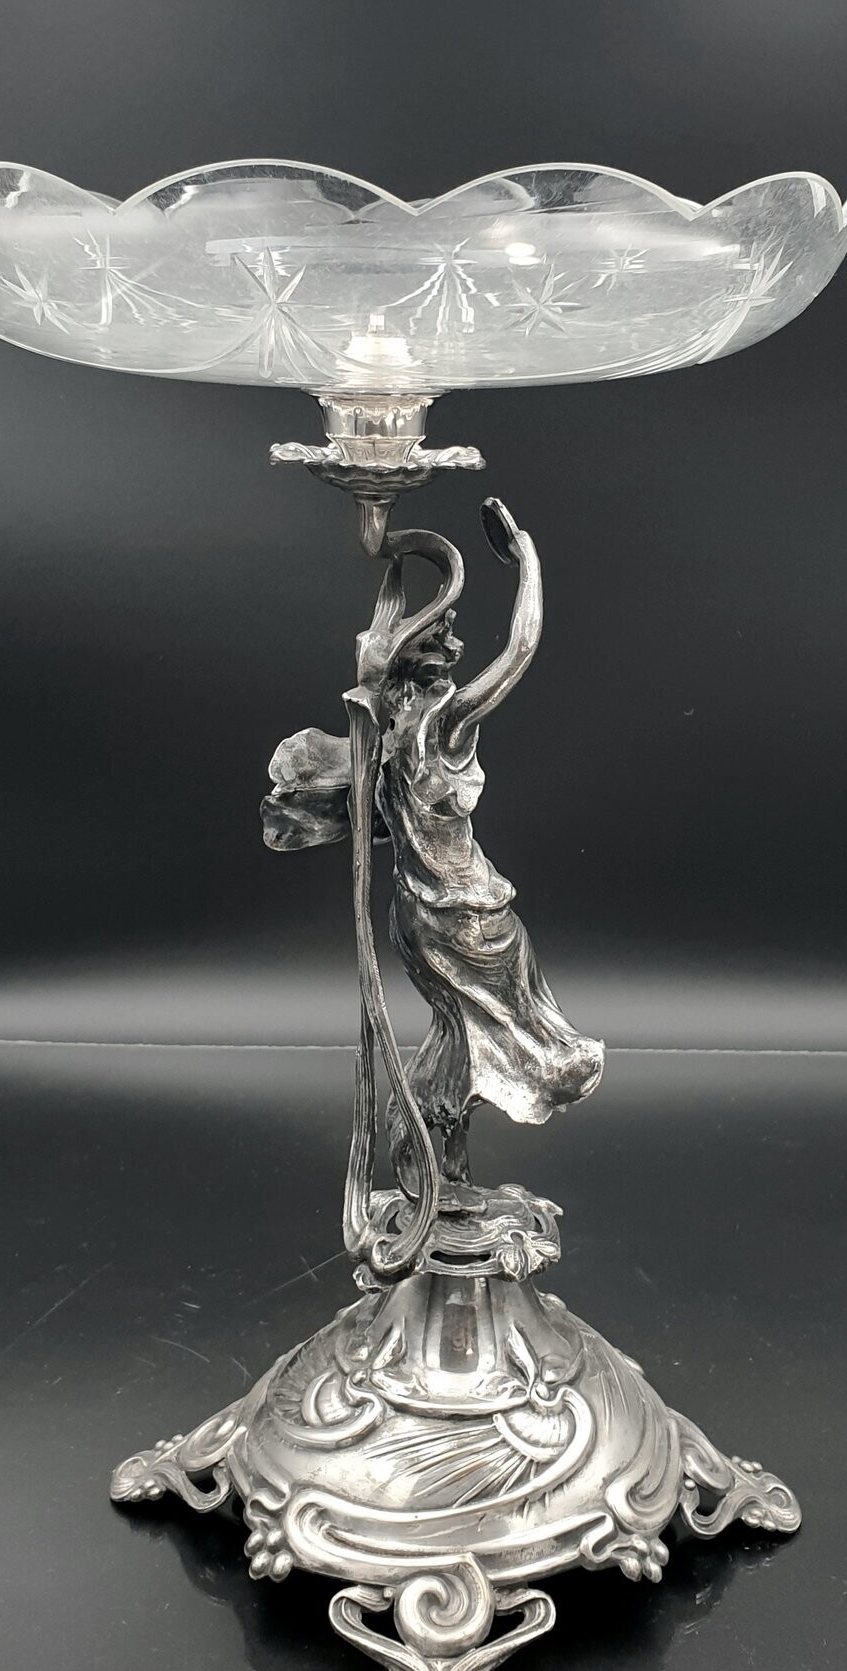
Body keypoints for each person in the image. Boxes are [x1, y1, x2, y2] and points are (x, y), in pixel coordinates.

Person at [263, 498, 603, 1198]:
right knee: (503, 1035)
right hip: (469, 916)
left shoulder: (384, 733)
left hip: (417, 918)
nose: (455, 647)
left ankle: (439, 1171)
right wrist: (527, 561)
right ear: (424, 662)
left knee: (460, 1040)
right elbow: (520, 650)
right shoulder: (442, 726)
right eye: (444, 639)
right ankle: (433, 1158)